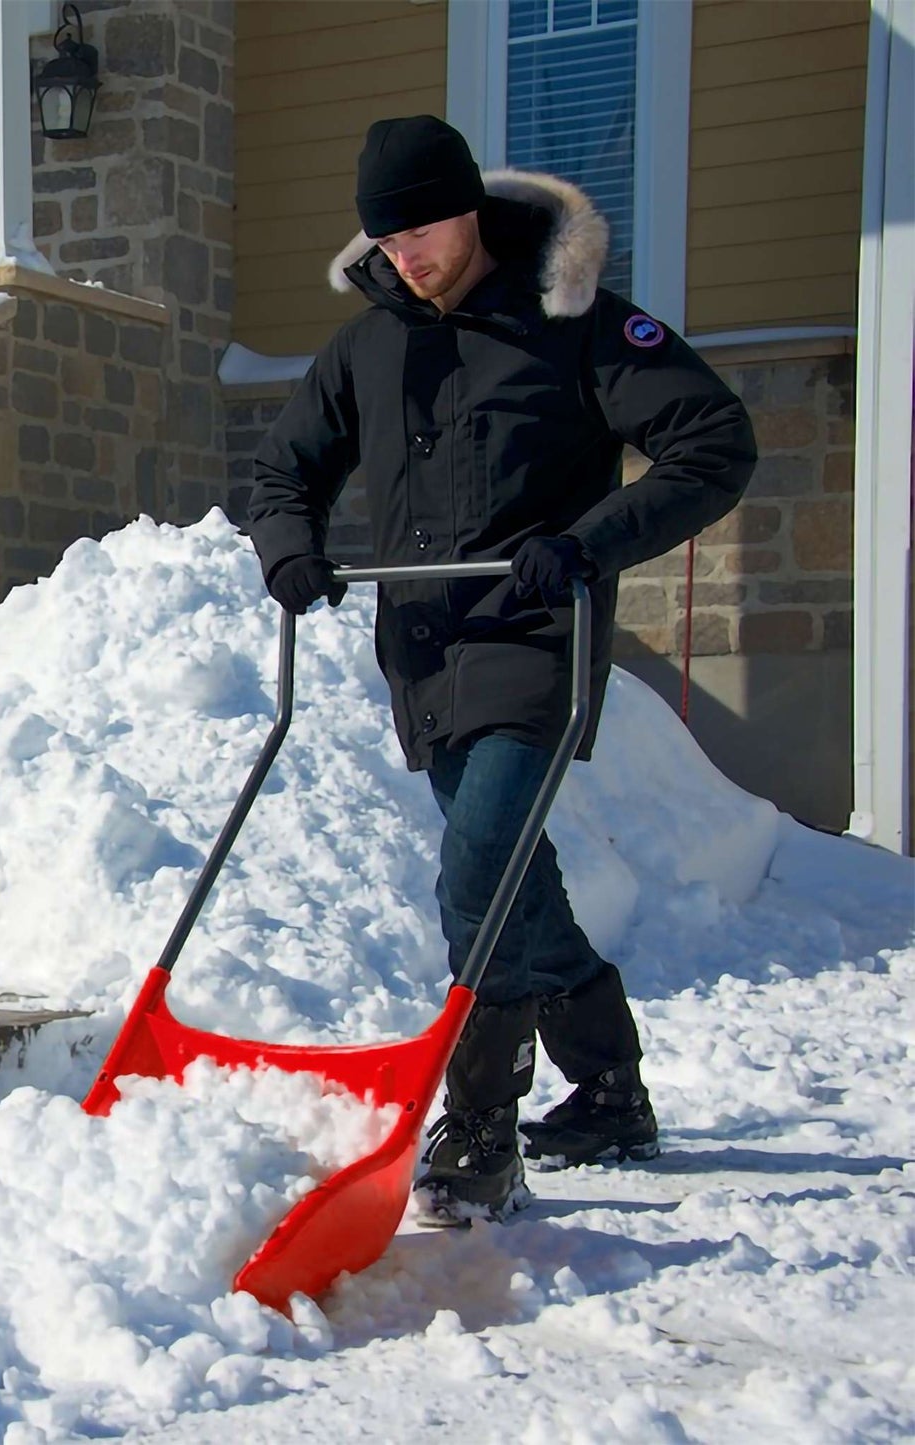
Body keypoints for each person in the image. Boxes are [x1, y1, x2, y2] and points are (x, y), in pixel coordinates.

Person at [244, 115, 758, 1223]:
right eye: (385, 237)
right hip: (422, 655)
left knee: (477, 864)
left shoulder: (571, 323)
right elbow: (283, 467)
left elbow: (712, 442)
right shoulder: (363, 348)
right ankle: (610, 1085)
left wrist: (585, 544)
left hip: (532, 636)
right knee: (514, 878)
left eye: (423, 226)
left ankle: (480, 1119)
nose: (406, 254)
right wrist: (288, 549)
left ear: (469, 207)